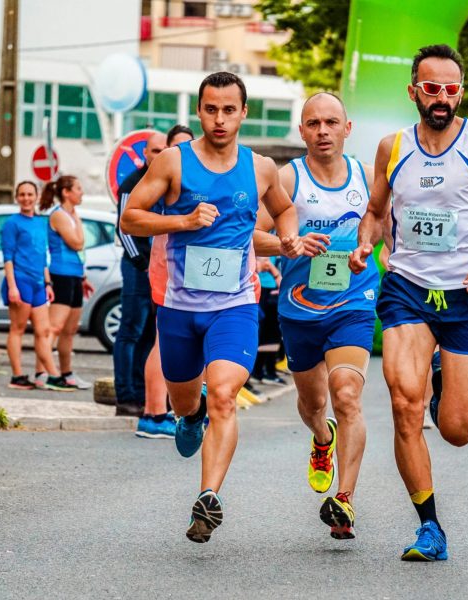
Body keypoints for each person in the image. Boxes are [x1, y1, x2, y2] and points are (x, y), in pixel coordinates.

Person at [349, 44, 468, 561]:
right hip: (408, 286)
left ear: (460, 93)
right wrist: (367, 242)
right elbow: (375, 211)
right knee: (402, 403)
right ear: (413, 91)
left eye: (450, 90)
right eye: (430, 88)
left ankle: (439, 381)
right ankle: (429, 526)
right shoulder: (393, 147)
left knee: (455, 429)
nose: (441, 98)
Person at [121, 72, 303, 544]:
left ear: (243, 113)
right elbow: (130, 217)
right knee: (188, 400)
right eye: (210, 109)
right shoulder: (172, 163)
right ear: (199, 112)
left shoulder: (260, 167)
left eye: (228, 109)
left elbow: (284, 209)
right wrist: (181, 219)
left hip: (235, 306)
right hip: (179, 308)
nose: (219, 119)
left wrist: (286, 235)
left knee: (224, 394)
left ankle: (208, 497)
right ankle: (189, 416)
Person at [254, 92, 380, 541]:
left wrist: (367, 244)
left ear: (347, 128)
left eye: (331, 122)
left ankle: (343, 500)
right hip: (300, 309)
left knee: (347, 396)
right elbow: (253, 235)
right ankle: (321, 439)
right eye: (313, 123)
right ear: (302, 131)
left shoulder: (367, 175)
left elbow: (380, 220)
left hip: (354, 302)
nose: (323, 130)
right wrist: (289, 245)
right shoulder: (288, 178)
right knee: (314, 405)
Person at [115, 131, 175, 439]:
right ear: (144, 153)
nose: (158, 154)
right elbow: (124, 227)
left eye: (162, 150)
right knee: (130, 331)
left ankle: (143, 393)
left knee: (149, 333)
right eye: (154, 150)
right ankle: (125, 395)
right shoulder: (133, 183)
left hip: (157, 267)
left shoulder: (163, 181)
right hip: (138, 266)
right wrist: (142, 263)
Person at [1, 181, 73, 391]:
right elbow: (8, 258)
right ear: (17, 197)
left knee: (43, 331)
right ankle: (17, 376)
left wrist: (48, 283)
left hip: (39, 284)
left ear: (36, 196)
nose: (26, 198)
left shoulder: (41, 222)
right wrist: (12, 287)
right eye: (22, 194)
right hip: (20, 281)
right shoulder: (12, 223)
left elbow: (42, 257)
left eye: (30, 194)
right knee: (18, 329)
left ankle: (52, 375)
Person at [35, 176, 96, 389]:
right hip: (60, 274)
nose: (82, 193)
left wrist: (83, 277)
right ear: (66, 192)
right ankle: (42, 372)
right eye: (78, 188)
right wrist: (77, 221)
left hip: (74, 275)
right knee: (54, 326)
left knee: (70, 329)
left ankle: (66, 373)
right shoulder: (60, 215)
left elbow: (80, 248)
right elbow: (77, 243)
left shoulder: (72, 214)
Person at [251, 256, 285, 385]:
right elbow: (262, 263)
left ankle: (269, 370)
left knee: (273, 334)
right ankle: (258, 371)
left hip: (273, 288)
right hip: (262, 289)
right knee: (264, 333)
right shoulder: (260, 239)